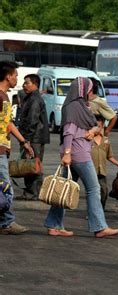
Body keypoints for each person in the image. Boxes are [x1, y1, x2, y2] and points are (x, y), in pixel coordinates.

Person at [44, 77, 118, 238]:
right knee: (94, 189)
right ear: (82, 90)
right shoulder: (74, 106)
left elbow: (93, 125)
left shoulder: (80, 105)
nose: (90, 92)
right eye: (89, 89)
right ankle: (99, 227)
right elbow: (68, 131)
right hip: (78, 154)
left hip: (74, 153)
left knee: (63, 188)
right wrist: (67, 154)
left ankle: (54, 225)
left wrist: (93, 131)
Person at [0, 61, 34, 235]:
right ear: (8, 76)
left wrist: (23, 142)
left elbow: (9, 123)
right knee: (6, 189)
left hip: (3, 150)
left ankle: (6, 221)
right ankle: (7, 222)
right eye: (15, 75)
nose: (17, 79)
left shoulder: (5, 97)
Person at [17, 74, 50, 201]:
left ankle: (33, 192)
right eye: (24, 83)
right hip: (34, 137)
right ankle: (32, 191)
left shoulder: (35, 99)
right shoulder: (30, 97)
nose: (24, 85)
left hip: (34, 138)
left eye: (27, 83)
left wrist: (27, 140)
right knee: (30, 164)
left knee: (33, 165)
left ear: (35, 84)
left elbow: (32, 120)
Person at [92, 115, 118, 209]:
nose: (96, 129)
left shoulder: (105, 141)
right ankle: (93, 211)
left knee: (104, 190)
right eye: (94, 126)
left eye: (98, 126)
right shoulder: (88, 140)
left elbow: (109, 156)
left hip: (101, 171)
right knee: (93, 192)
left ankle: (100, 209)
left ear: (102, 126)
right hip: (90, 170)